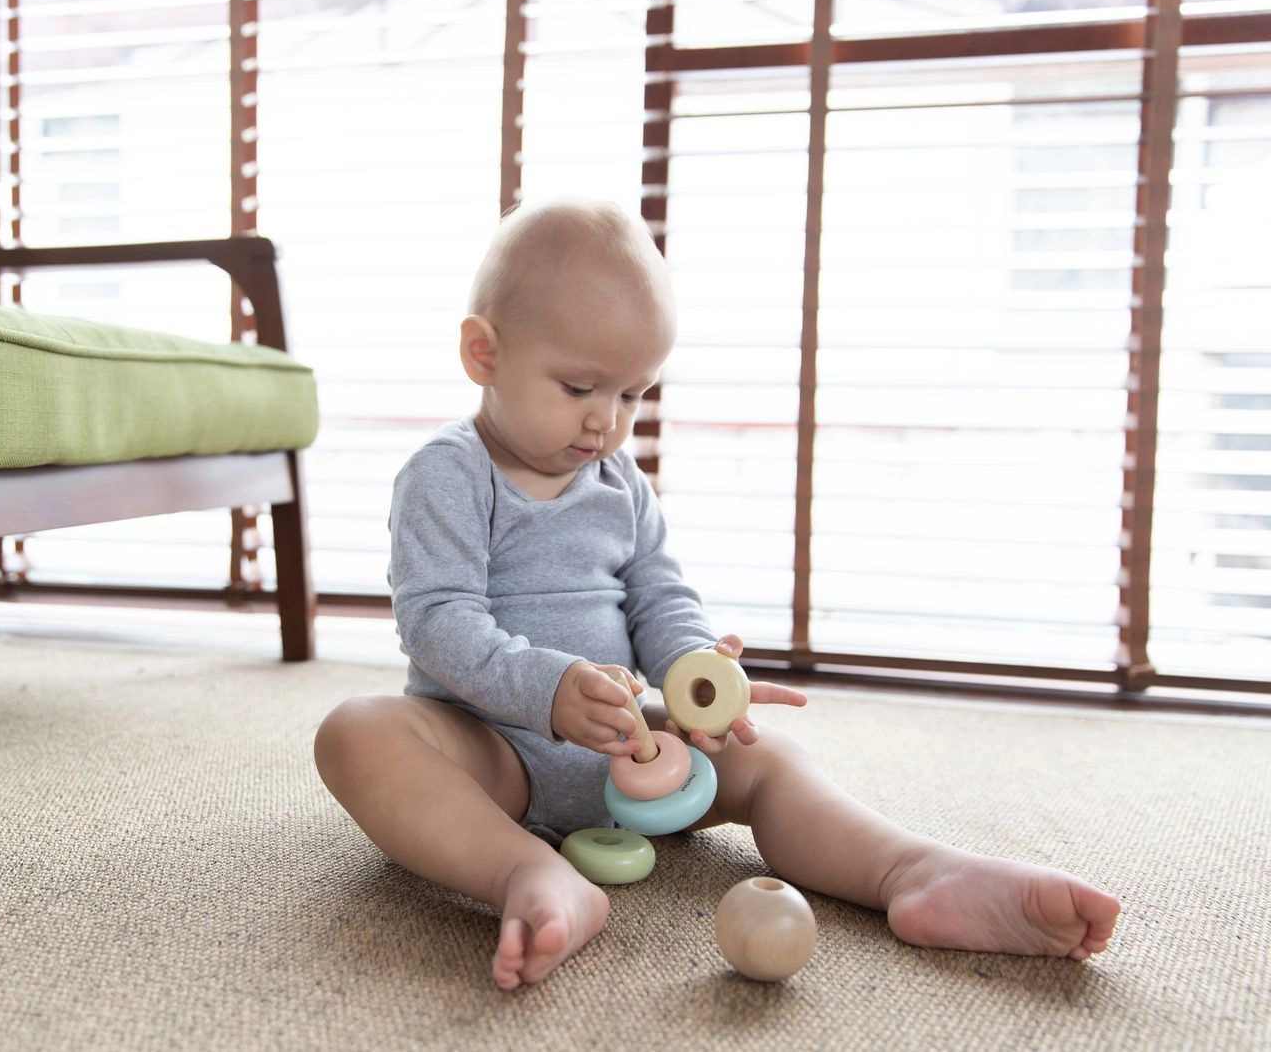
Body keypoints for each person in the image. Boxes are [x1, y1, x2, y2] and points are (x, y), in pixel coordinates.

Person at [313, 199, 1121, 991]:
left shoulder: (619, 481)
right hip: (492, 751)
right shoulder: (448, 473)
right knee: (357, 734)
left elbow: (659, 596)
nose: (606, 421)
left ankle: (915, 870)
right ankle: (528, 873)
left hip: (632, 749)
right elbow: (438, 621)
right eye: (580, 386)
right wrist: (549, 690)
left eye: (633, 394)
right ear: (483, 353)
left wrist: (694, 670)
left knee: (769, 756)